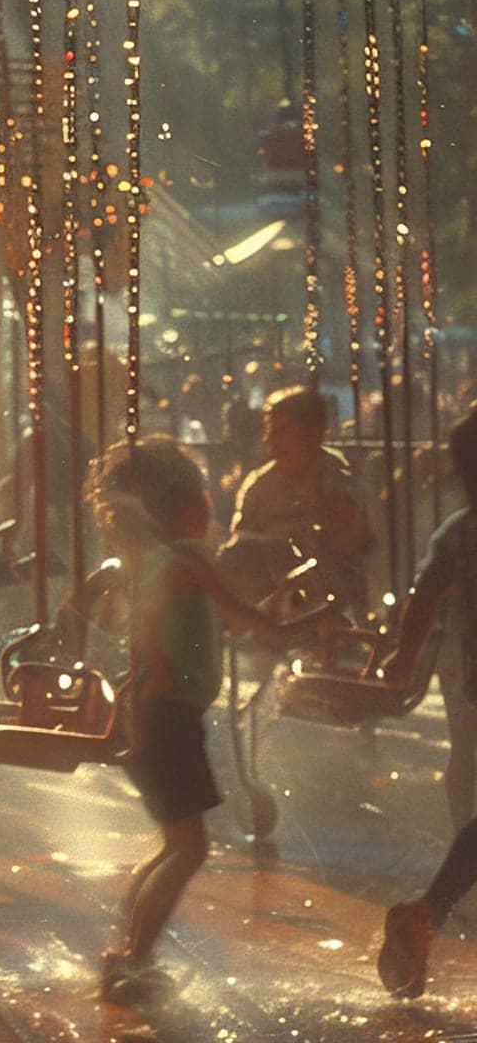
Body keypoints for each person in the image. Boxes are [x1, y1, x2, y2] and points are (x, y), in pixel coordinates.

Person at [86, 435, 335, 1002]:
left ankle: (128, 949)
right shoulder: (186, 560)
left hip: (161, 718)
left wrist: (272, 616)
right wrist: (312, 623)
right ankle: (131, 959)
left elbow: (227, 621)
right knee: (188, 849)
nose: (213, 514)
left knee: (176, 844)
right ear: (180, 511)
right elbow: (240, 619)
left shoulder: (157, 561)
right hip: (168, 719)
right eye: (204, 502)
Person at [374, 408, 477, 996]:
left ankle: (425, 914)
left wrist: (404, 658)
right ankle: (425, 913)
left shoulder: (460, 531)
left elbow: (425, 595)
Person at [224, 384, 371, 613]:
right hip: (275, 605)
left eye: (281, 431)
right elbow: (240, 547)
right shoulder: (260, 486)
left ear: (314, 432)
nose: (270, 441)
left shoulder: (339, 474)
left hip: (337, 602)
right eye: (269, 431)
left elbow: (345, 535)